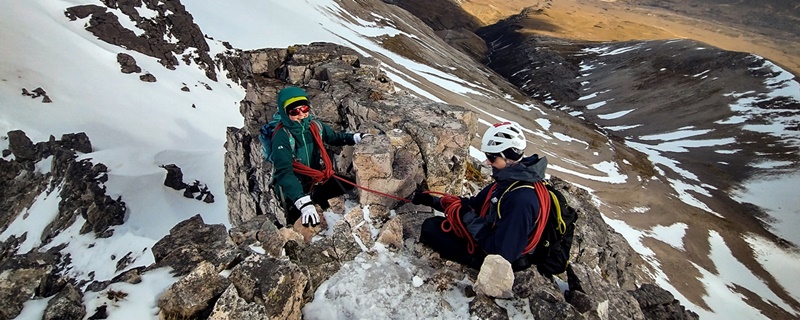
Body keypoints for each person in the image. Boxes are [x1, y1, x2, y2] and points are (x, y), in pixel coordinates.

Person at [412, 122, 548, 270]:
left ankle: (474, 264)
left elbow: (502, 252)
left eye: (492, 158)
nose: (487, 162)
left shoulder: (520, 200)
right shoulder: (508, 182)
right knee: (435, 224)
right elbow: (474, 204)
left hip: (502, 258)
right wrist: (433, 201)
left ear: (509, 159)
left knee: (432, 228)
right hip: (493, 239)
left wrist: (467, 217)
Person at [270, 86, 371, 227]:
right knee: (305, 225)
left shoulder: (315, 126)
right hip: (294, 188)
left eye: (304, 109)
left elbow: (334, 138)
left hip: (317, 179)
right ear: (285, 113)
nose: (301, 115)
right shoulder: (282, 136)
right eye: (294, 111)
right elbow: (284, 171)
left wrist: (356, 138)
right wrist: (302, 201)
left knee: (348, 187)